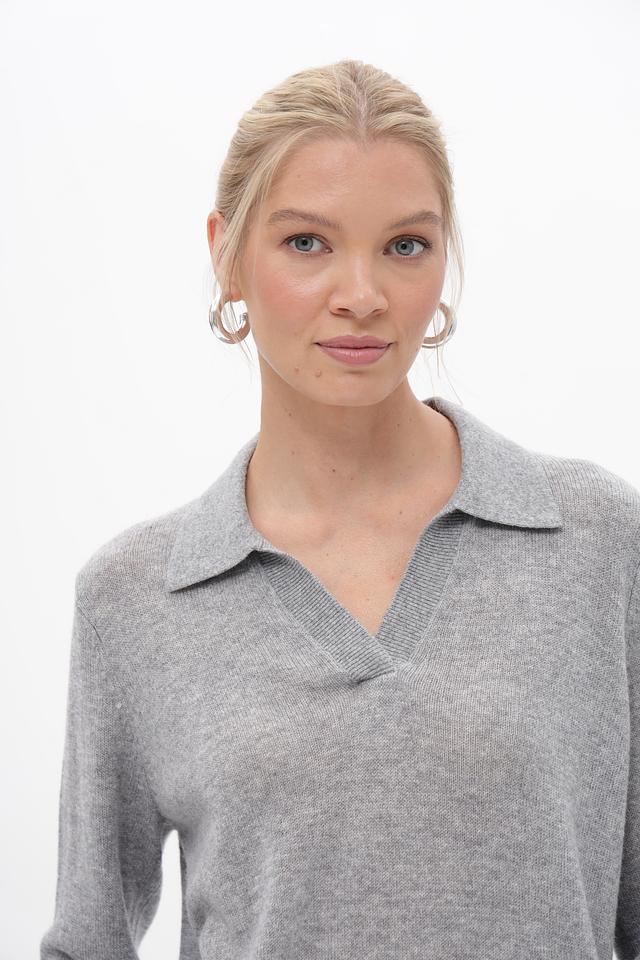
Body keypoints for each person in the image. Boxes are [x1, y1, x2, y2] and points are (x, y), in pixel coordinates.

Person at [40, 59, 639, 960]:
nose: (362, 295)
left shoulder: (598, 543)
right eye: (307, 243)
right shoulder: (134, 598)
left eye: (405, 246)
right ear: (226, 254)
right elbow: (86, 941)